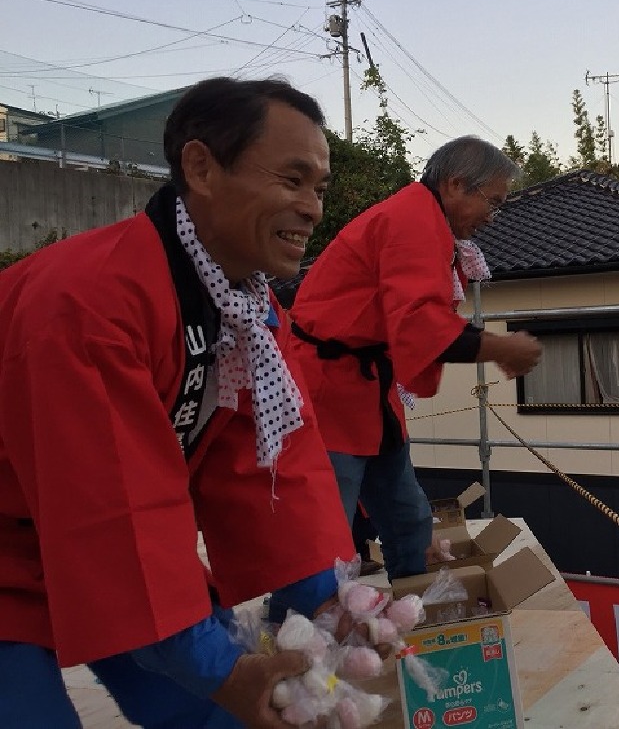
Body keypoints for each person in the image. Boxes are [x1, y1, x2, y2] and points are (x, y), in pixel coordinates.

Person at [0, 77, 361, 729]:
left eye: (319, 189)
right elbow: (112, 507)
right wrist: (216, 666)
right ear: (201, 167)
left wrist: (331, 608)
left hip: (82, 543)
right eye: (293, 179)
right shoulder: (89, 299)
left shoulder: (246, 311)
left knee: (226, 713)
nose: (312, 208)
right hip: (19, 548)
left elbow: (274, 471)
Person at [289, 136, 542, 582]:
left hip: (367, 385)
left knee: (407, 514)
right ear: (457, 184)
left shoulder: (423, 218)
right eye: (493, 202)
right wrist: (502, 347)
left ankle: (414, 604)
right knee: (325, 533)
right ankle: (307, 636)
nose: (492, 216)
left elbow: (421, 322)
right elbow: (423, 324)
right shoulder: (412, 220)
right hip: (330, 385)